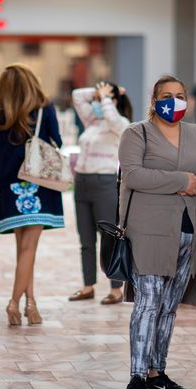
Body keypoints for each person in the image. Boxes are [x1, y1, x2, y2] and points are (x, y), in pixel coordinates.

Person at [119, 75, 196, 389]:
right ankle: (136, 377)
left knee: (168, 307)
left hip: (191, 230)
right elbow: (134, 174)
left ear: (188, 101)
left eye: (180, 95)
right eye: (167, 95)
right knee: (149, 301)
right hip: (148, 230)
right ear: (154, 100)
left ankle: (157, 373)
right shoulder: (137, 134)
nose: (174, 101)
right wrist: (182, 180)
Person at [0, 63, 65, 326]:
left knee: (23, 250)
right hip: (39, 186)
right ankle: (13, 303)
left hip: (10, 190)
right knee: (29, 249)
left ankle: (31, 305)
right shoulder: (45, 109)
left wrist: (0, 189)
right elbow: (58, 141)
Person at [68, 81, 132, 305]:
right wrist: (98, 91)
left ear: (113, 102)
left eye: (101, 99)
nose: (95, 103)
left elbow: (113, 118)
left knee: (108, 237)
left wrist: (106, 98)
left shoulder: (120, 124)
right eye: (95, 99)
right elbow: (77, 95)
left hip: (105, 183)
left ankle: (116, 288)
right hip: (82, 182)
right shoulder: (92, 122)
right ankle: (88, 286)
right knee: (85, 239)